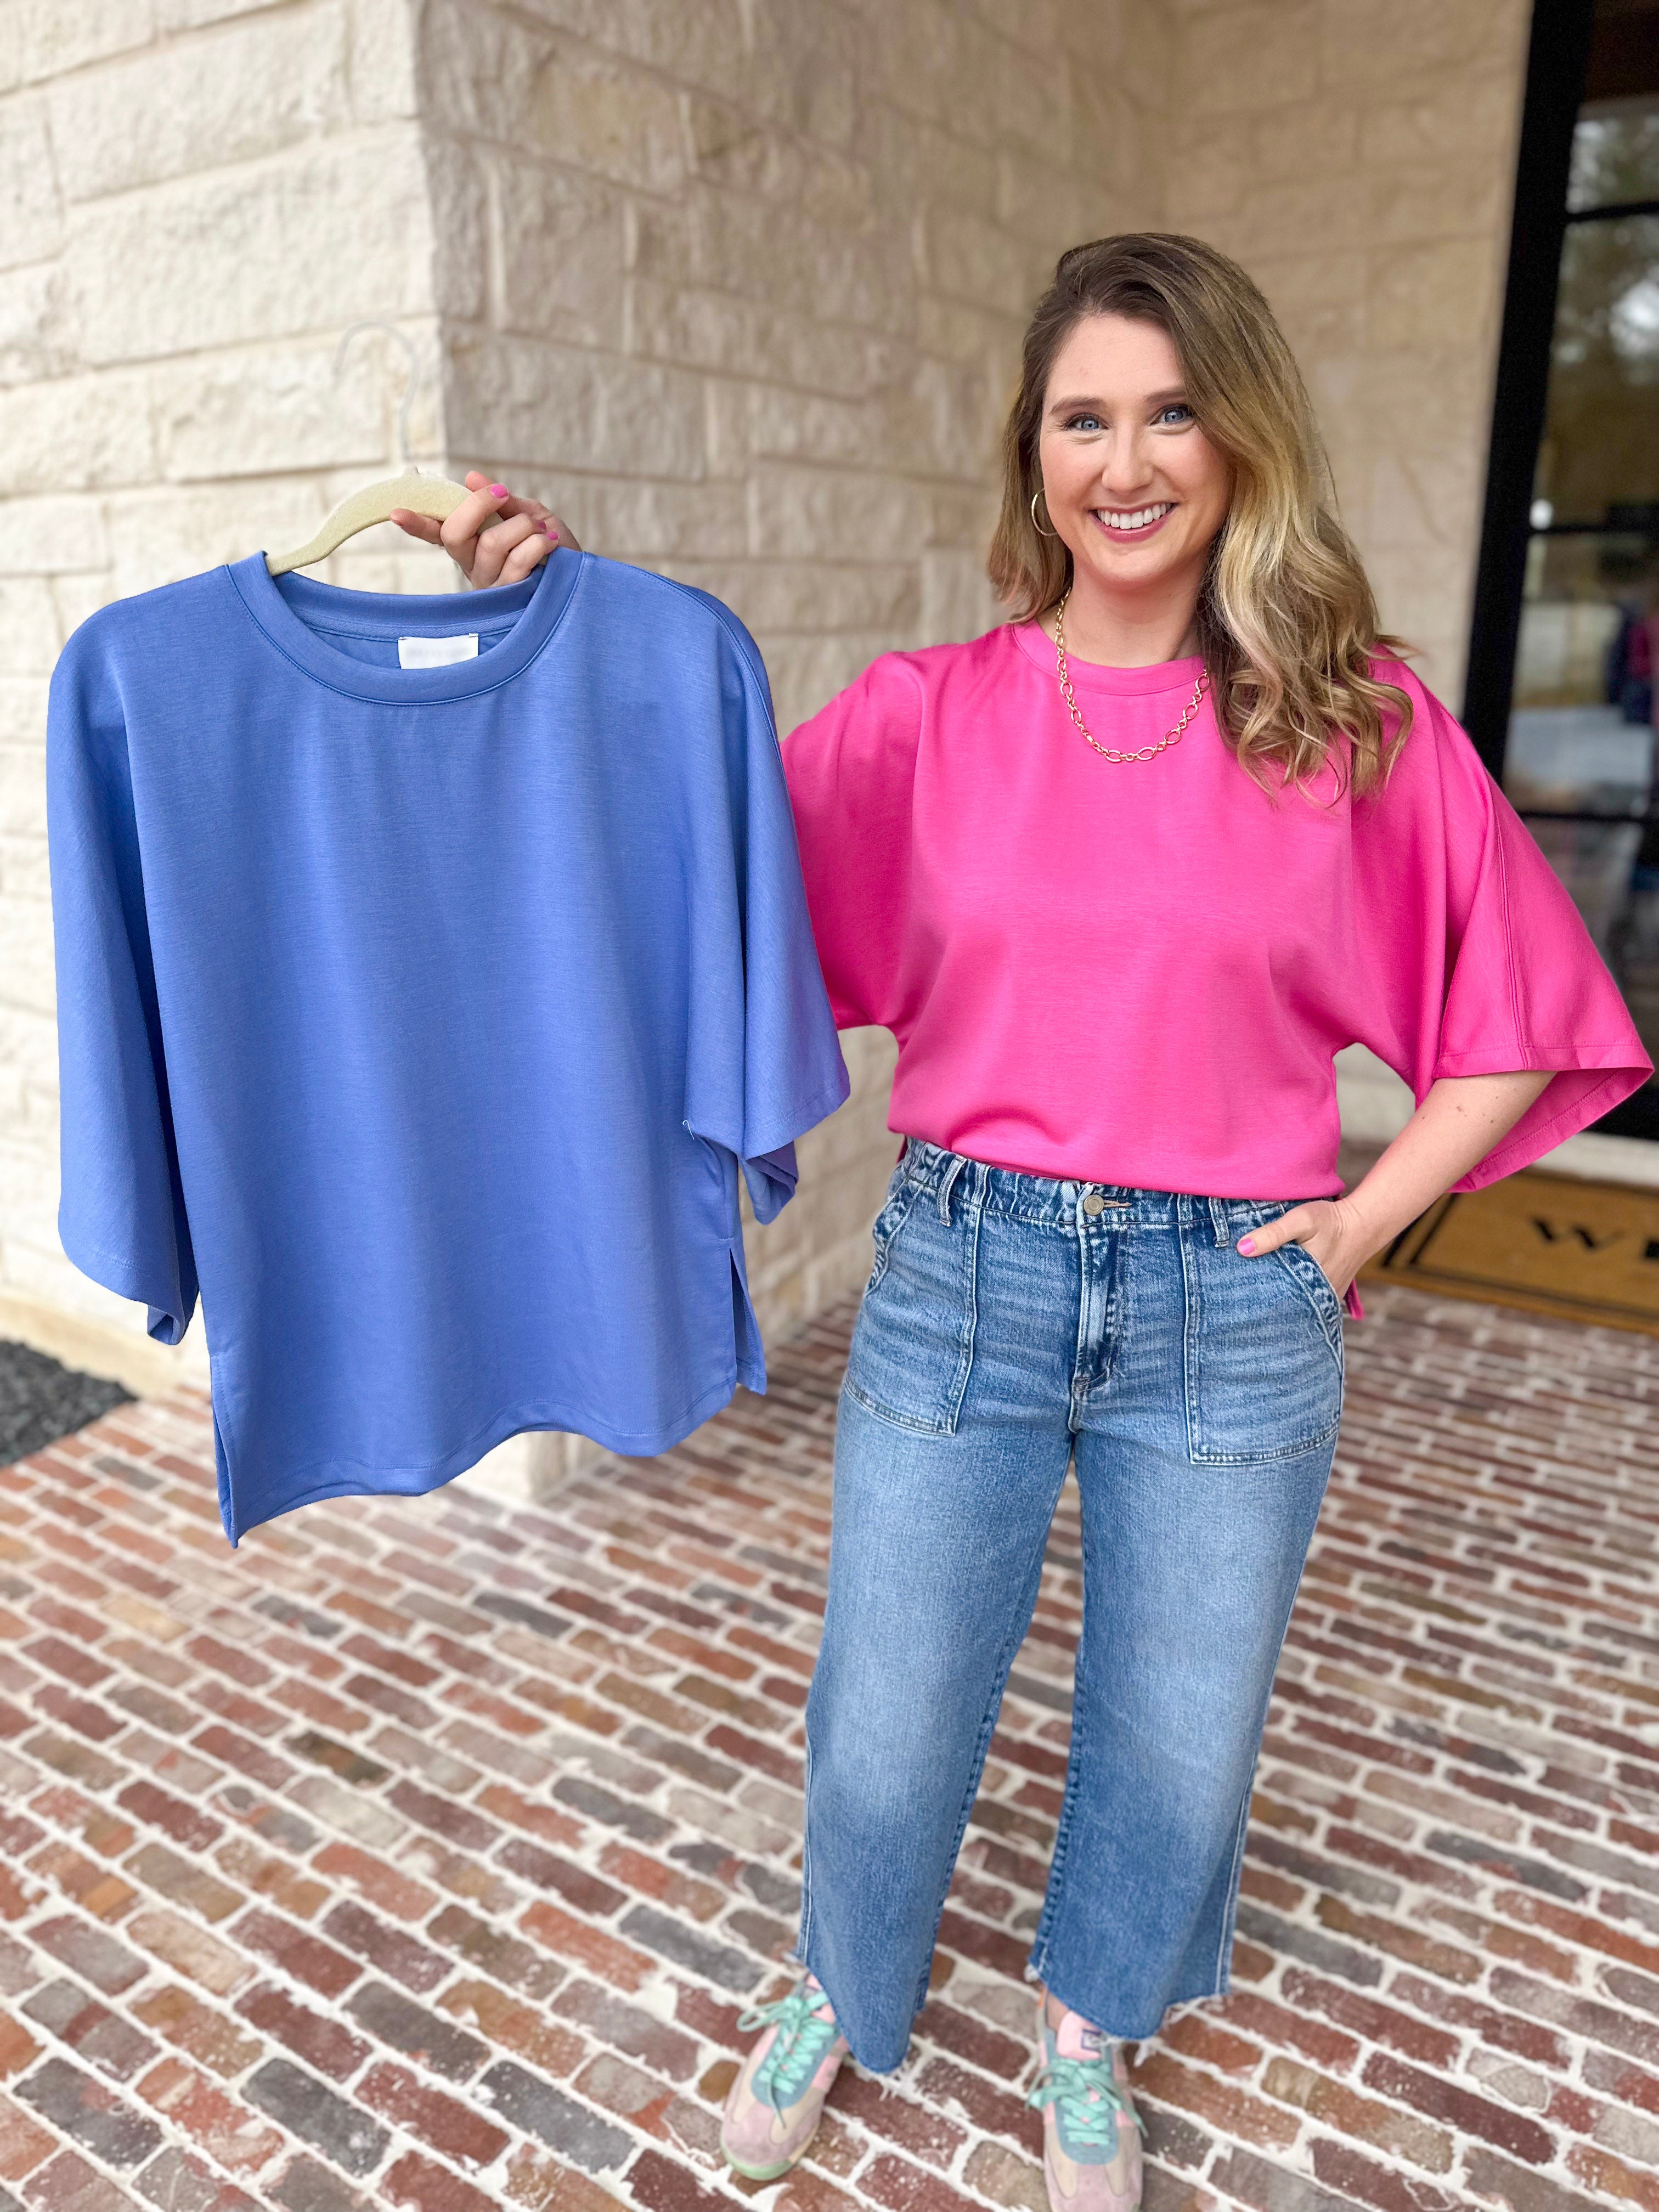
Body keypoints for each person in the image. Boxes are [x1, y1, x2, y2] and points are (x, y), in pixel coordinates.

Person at [393, 234, 1650, 2212]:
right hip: (965, 1272)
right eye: (1084, 419)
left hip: (1232, 1301)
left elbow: (1527, 1018)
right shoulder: (929, 717)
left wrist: (1358, 1228)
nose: (1125, 463)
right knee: (888, 1721)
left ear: (1240, 441)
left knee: (1180, 1737)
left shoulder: (1350, 724)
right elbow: (690, 851)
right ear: (1034, 452)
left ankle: (1091, 2026)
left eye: (1171, 413)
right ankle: (839, 1979)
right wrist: (550, 618)